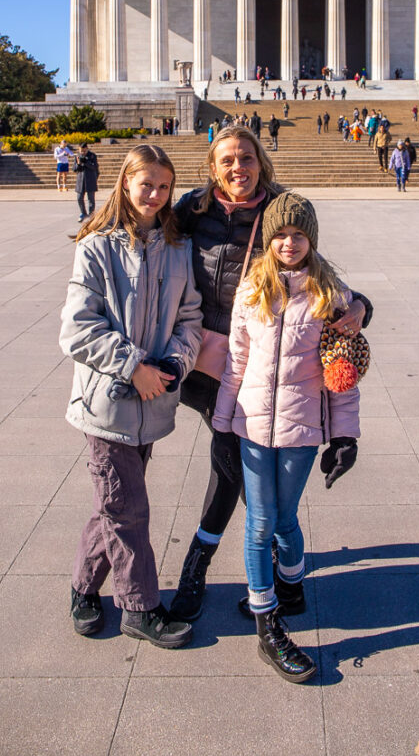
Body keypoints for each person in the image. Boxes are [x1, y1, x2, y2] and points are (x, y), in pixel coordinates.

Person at [167, 128, 372, 623]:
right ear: (213, 168)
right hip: (206, 362)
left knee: (234, 474)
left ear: (262, 162)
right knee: (231, 466)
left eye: (247, 158)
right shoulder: (191, 209)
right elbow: (144, 236)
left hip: (264, 365)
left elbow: (321, 279)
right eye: (227, 160)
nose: (238, 168)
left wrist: (362, 305)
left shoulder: (281, 210)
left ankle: (213, 562)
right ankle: (223, 563)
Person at [213, 193, 361, 683]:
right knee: (259, 524)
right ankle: (267, 623)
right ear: (269, 240)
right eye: (280, 234)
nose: (289, 243)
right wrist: (220, 425)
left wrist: (344, 437)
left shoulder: (330, 294)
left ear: (311, 240)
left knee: (285, 521)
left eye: (298, 235)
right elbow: (235, 364)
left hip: (301, 429)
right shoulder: (252, 289)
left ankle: (291, 586)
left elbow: (342, 375)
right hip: (253, 426)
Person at [60, 144, 203, 648]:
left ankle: (82, 589)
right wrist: (133, 366)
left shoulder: (177, 246)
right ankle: (139, 608)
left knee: (114, 504)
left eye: (165, 187)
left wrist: (172, 365)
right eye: (147, 185)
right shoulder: (97, 246)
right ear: (125, 183)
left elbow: (190, 319)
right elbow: (77, 329)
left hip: (151, 403)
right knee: (128, 510)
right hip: (108, 403)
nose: (157, 196)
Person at [74, 142, 100, 222]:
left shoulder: (92, 156)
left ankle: (91, 215)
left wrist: (86, 162)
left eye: (84, 151)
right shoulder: (78, 156)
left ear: (87, 149)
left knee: (91, 199)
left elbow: (94, 167)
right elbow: (74, 169)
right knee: (79, 198)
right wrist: (78, 164)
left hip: (90, 179)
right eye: (81, 151)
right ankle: (83, 213)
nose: (83, 153)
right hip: (81, 180)